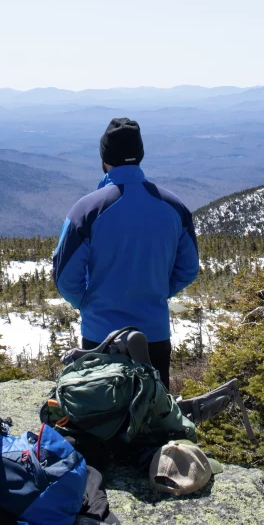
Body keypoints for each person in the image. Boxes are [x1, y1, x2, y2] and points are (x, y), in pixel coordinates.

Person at [52, 117, 199, 389]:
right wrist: (159, 291)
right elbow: (189, 269)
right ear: (140, 156)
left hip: (100, 336)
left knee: (103, 418)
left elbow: (64, 277)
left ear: (104, 160)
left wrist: (87, 303)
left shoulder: (86, 211)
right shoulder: (174, 207)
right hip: (154, 335)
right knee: (154, 416)